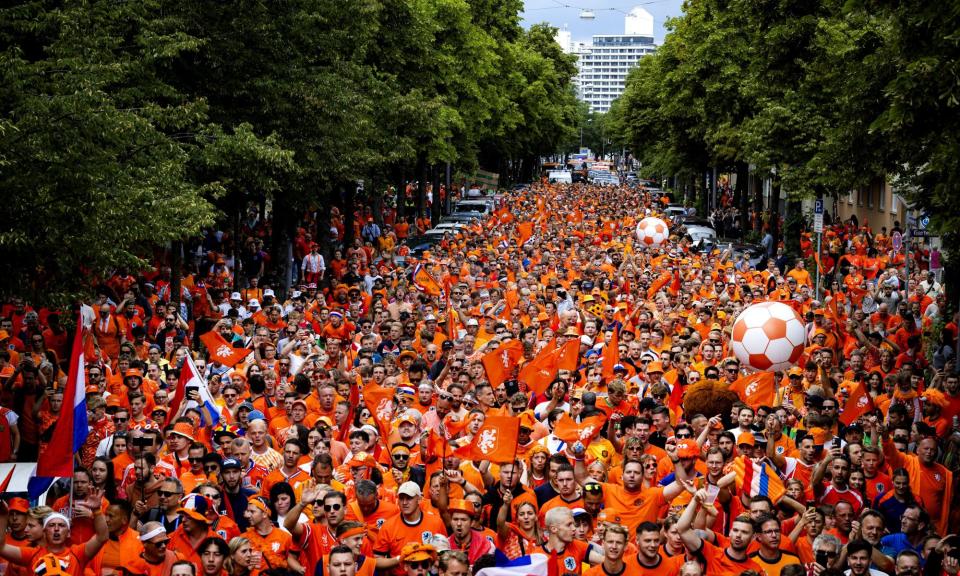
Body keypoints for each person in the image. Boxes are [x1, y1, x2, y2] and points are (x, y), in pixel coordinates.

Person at [677, 489, 764, 576]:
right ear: (730, 532)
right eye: (735, 530)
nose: (738, 535)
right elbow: (682, 530)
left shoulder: (755, 569)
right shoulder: (711, 553)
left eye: (744, 532)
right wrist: (694, 500)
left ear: (753, 537)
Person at [542, 508, 604, 576]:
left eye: (573, 524)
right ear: (553, 529)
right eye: (569, 525)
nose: (574, 528)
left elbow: (607, 563)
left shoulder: (578, 545)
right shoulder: (536, 554)